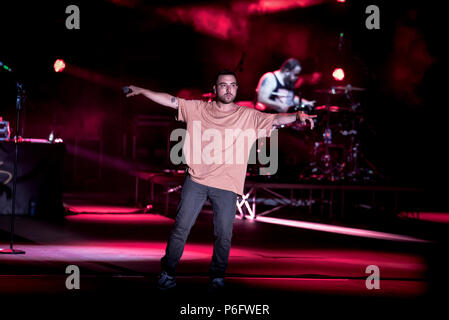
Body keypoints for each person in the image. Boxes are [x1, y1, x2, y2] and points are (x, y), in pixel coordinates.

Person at [126, 70, 316, 292]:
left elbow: (276, 119)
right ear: (215, 90)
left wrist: (298, 116)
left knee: (224, 233)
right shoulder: (197, 108)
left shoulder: (248, 115)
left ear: (236, 89)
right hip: (196, 180)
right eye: (223, 85)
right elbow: (169, 100)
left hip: (227, 184)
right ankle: (168, 273)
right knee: (181, 228)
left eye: (232, 85)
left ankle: (217, 276)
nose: (228, 89)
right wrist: (143, 91)